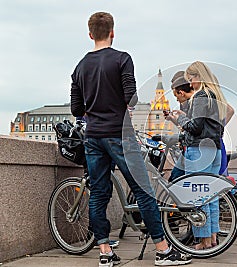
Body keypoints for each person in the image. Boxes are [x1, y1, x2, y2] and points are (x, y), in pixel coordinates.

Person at [70, 12, 191, 267]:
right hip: (120, 134)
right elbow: (131, 98)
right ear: (113, 32)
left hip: (93, 137)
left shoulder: (80, 67)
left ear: (90, 34)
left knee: (99, 194)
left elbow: (76, 109)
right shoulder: (122, 59)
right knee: (143, 189)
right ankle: (163, 251)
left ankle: (105, 253)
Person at [166, 61, 228, 249]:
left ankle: (203, 240)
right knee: (211, 196)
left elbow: (195, 126)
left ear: (198, 77)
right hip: (214, 149)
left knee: (197, 195)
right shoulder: (216, 96)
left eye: (191, 79)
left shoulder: (201, 95)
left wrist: (179, 118)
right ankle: (213, 238)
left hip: (199, 150)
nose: (190, 83)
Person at [167, 71, 195, 182]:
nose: (176, 98)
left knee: (181, 180)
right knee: (176, 178)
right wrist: (173, 119)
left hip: (194, 147)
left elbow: (193, 126)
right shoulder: (187, 102)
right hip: (188, 147)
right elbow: (185, 126)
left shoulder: (195, 101)